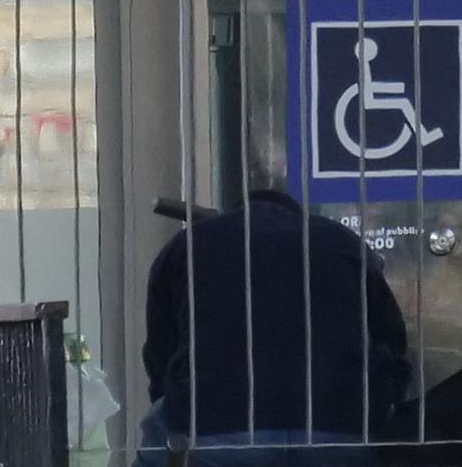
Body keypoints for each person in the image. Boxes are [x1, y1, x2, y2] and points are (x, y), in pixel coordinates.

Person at [141, 172, 413, 451]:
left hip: (212, 431)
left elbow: (159, 356)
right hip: (334, 430)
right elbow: (393, 343)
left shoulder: (185, 246)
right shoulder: (343, 242)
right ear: (297, 214)